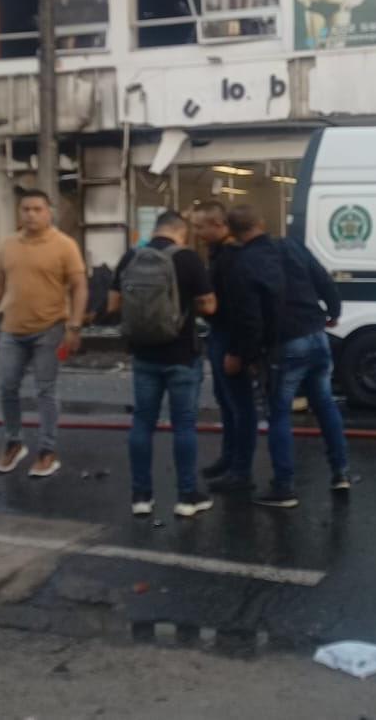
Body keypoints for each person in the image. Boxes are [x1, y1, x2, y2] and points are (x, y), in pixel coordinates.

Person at [225, 205, 350, 508]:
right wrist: (333, 313)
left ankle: (284, 487)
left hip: (286, 343)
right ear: (262, 222)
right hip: (316, 334)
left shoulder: (245, 263)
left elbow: (250, 318)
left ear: (233, 233)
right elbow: (324, 281)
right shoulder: (292, 246)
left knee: (279, 412)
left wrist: (247, 355)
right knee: (324, 403)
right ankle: (340, 472)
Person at [109, 211, 216, 518]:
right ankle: (186, 497)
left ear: (156, 230)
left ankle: (141, 497)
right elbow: (209, 304)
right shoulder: (188, 258)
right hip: (181, 355)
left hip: (144, 355)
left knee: (142, 423)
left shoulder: (131, 257)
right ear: (180, 232)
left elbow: (113, 304)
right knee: (183, 425)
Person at [0, 189, 87, 479]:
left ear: (49, 212)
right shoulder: (7, 245)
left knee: (45, 390)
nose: (31, 214)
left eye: (38, 209)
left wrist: (74, 326)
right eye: (26, 209)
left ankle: (47, 451)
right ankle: (14, 442)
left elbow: (79, 287)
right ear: (19, 212)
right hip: (11, 330)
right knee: (7, 387)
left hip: (49, 329)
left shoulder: (65, 246)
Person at [190, 201, 255, 490]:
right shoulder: (218, 255)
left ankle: (241, 470)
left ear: (219, 226)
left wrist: (238, 351)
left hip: (229, 338)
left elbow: (243, 309)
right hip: (219, 336)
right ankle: (228, 459)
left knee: (240, 405)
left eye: (200, 226)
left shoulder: (232, 259)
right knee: (226, 403)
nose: (196, 232)